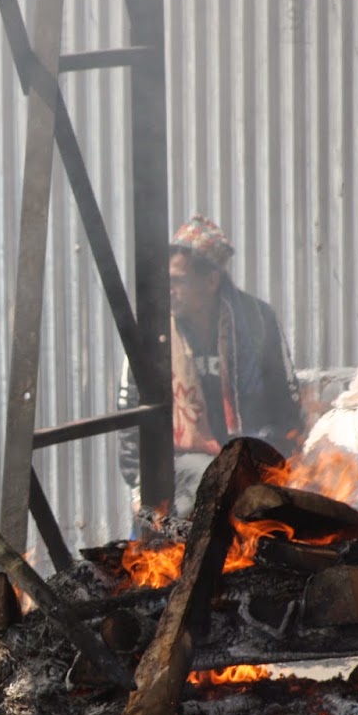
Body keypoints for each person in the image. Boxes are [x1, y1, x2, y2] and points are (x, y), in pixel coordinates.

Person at [117, 215, 301, 517]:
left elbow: (285, 401)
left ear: (211, 281)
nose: (168, 289)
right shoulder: (153, 329)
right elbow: (131, 412)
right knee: (197, 500)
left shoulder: (257, 321)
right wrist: (139, 486)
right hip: (181, 462)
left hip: (247, 455)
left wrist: (281, 462)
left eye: (178, 280)